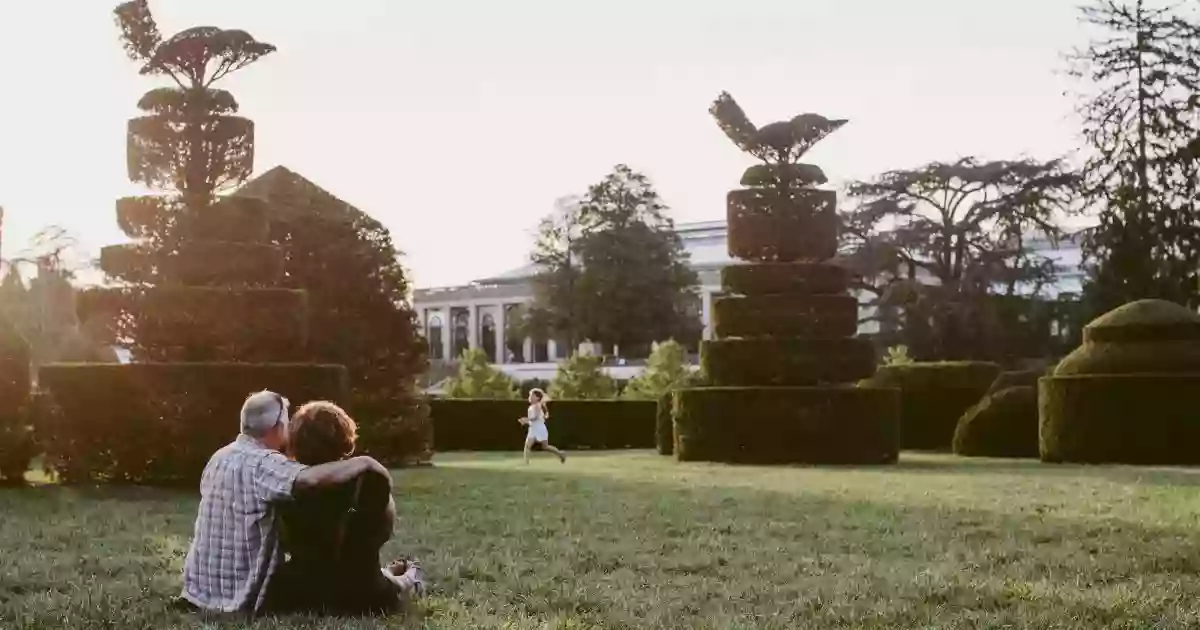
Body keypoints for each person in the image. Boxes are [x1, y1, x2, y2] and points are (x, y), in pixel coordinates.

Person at [179, 390, 393, 617]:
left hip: (200, 590)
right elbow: (310, 478)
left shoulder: (220, 456)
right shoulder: (265, 463)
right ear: (278, 426)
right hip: (239, 595)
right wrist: (365, 462)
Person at [264, 401, 425, 616]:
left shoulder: (286, 485)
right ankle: (412, 574)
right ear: (343, 438)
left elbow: (283, 540)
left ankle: (399, 572)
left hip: (301, 593)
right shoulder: (368, 481)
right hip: (363, 593)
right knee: (401, 581)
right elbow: (383, 531)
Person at [518, 388, 566, 465]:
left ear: (537, 398)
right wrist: (527, 421)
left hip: (540, 428)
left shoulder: (537, 406)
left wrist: (525, 420)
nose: (530, 397)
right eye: (530, 395)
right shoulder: (531, 407)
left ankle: (561, 454)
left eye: (532, 395)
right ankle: (526, 462)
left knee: (545, 447)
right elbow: (533, 419)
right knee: (527, 445)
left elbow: (535, 417)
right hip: (533, 428)